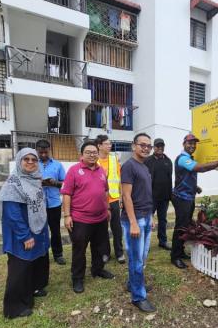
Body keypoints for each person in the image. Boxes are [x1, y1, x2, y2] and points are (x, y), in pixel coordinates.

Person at [0, 148, 49, 319]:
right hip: (22, 234)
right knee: (20, 268)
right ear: (19, 161)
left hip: (37, 231)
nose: (30, 162)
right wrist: (25, 236)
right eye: (26, 159)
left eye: (34, 159)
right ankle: (15, 308)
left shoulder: (34, 179)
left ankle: (32, 290)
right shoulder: (14, 183)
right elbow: (12, 213)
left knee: (34, 263)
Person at [171, 133, 218, 269]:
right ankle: (175, 256)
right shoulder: (183, 159)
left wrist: (195, 187)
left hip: (188, 196)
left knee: (186, 226)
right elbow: (201, 168)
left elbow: (185, 176)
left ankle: (180, 252)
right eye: (189, 143)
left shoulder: (189, 158)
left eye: (194, 144)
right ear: (184, 144)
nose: (192, 146)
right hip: (181, 198)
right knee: (180, 227)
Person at [61, 141, 114, 294]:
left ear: (98, 154)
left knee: (99, 247)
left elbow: (105, 192)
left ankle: (97, 270)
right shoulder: (74, 170)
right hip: (80, 219)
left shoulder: (101, 170)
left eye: (94, 152)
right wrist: (67, 215)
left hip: (100, 218)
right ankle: (77, 278)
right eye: (88, 152)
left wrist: (108, 208)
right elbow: (66, 194)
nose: (92, 155)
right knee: (79, 250)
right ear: (81, 155)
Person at [121, 133, 155, 312]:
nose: (146, 148)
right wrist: (133, 223)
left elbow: (144, 194)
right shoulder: (129, 166)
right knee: (136, 260)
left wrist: (151, 217)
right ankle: (138, 296)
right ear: (134, 146)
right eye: (142, 145)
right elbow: (126, 196)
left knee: (141, 257)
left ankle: (133, 283)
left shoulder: (144, 167)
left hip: (146, 217)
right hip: (134, 219)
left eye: (148, 145)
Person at [95, 134, 126, 264]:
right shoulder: (94, 161)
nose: (110, 146)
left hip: (113, 199)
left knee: (117, 228)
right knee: (102, 229)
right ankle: (105, 253)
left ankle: (119, 252)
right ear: (99, 146)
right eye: (107, 144)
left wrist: (122, 197)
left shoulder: (114, 159)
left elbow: (120, 179)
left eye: (110, 143)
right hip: (99, 201)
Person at [36, 139, 66, 265]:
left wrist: (54, 183)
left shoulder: (57, 165)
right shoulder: (32, 164)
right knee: (39, 231)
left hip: (54, 204)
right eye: (41, 152)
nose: (43, 155)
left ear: (50, 150)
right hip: (37, 205)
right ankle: (41, 254)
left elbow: (65, 184)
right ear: (36, 151)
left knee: (55, 231)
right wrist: (39, 183)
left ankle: (58, 254)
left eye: (46, 152)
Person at [145, 138, 173, 250]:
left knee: (163, 219)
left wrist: (170, 195)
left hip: (164, 197)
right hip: (151, 197)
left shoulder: (168, 161)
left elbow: (169, 178)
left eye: (162, 146)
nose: (160, 148)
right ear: (153, 147)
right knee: (147, 219)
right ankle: (145, 242)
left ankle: (163, 241)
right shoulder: (147, 161)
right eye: (157, 146)